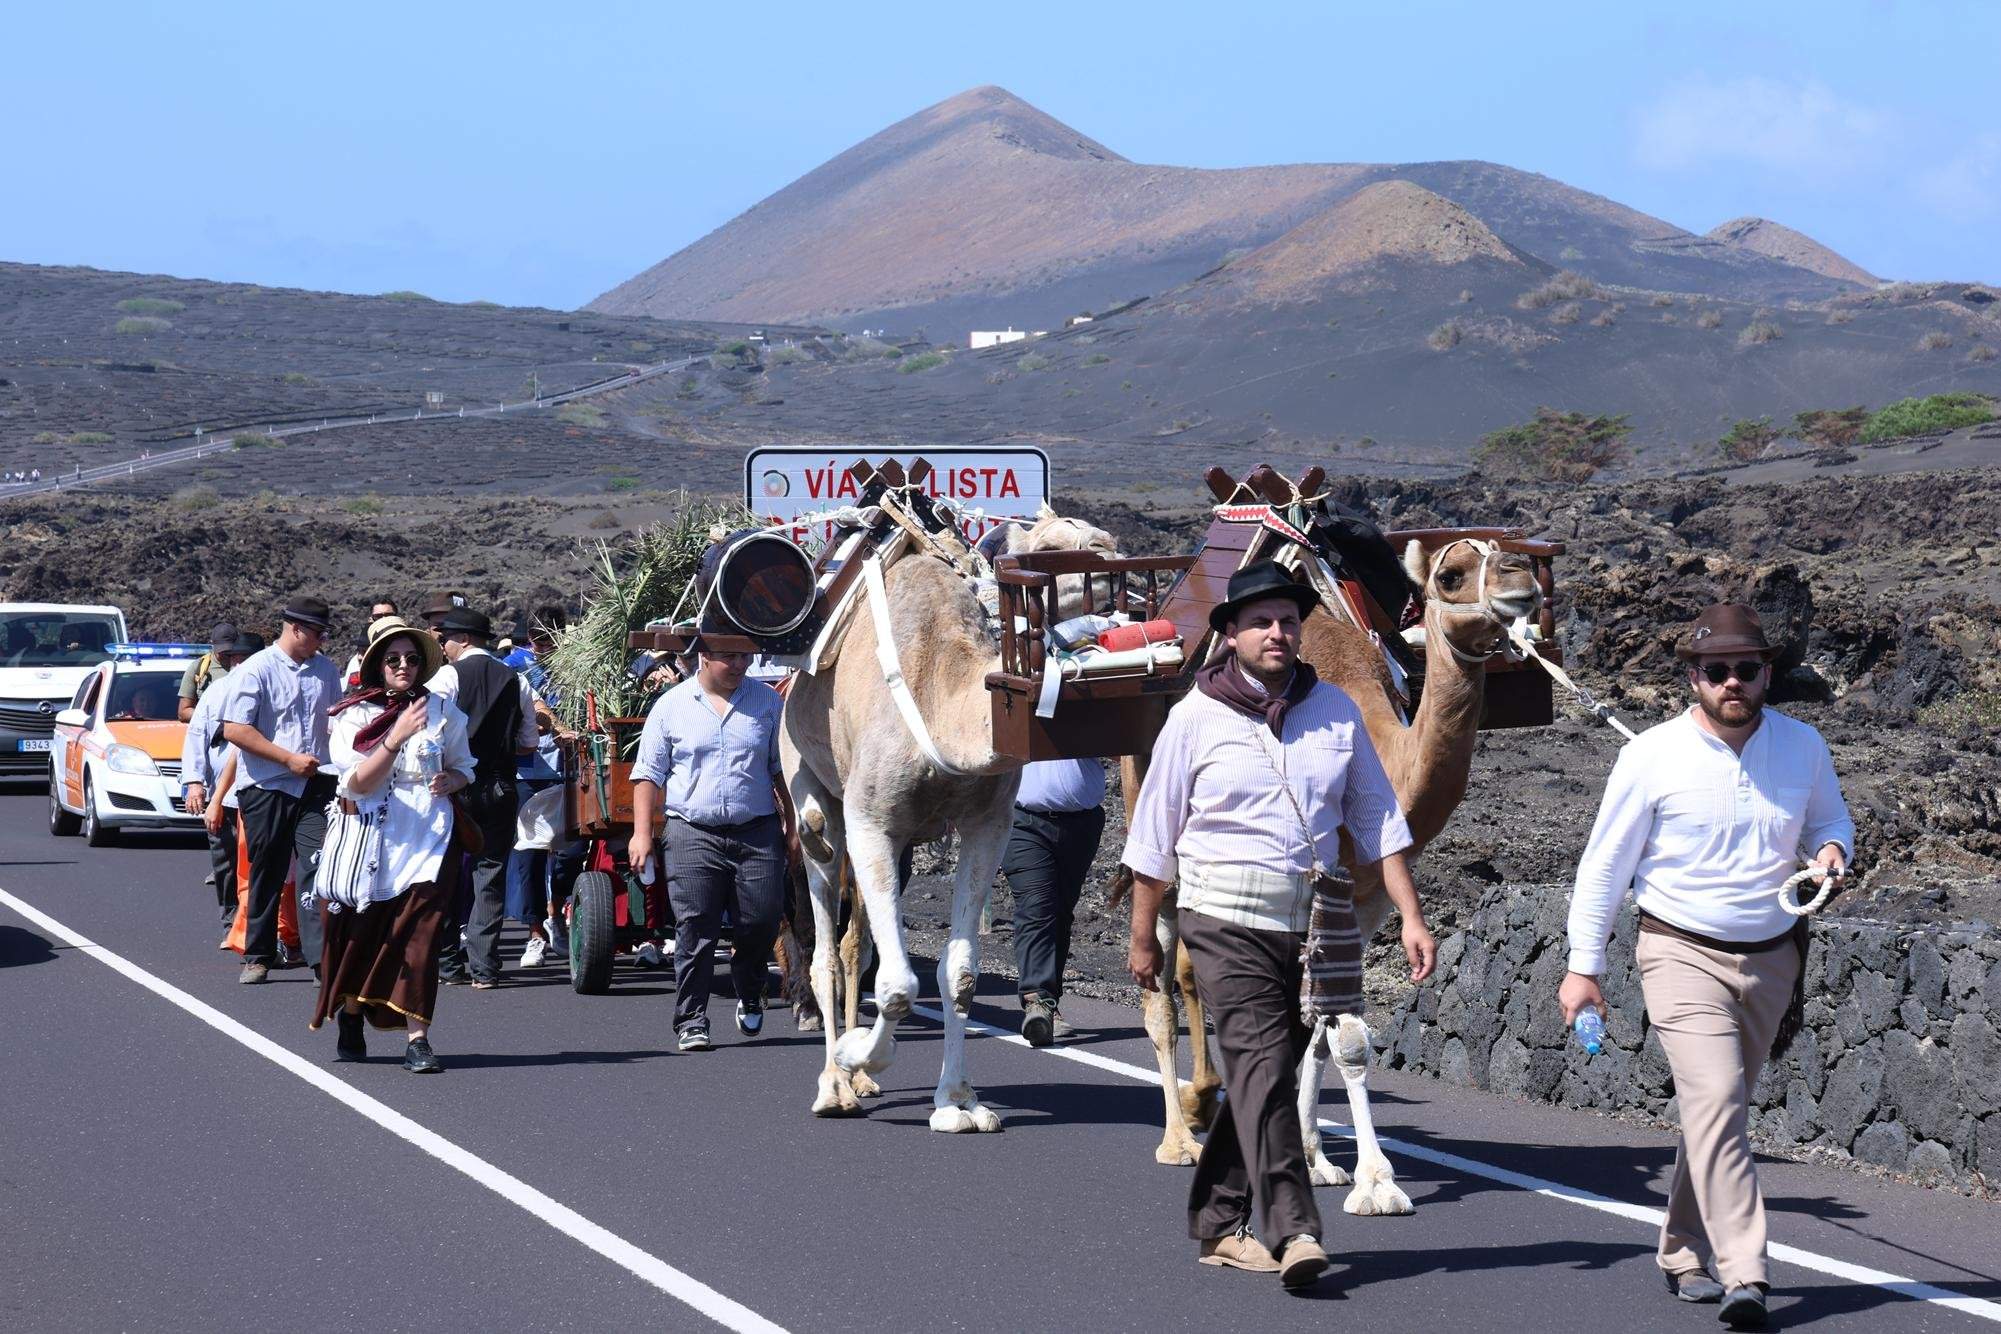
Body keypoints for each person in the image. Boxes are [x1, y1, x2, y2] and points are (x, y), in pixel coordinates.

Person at [1121, 561, 1433, 1291]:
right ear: (1229, 634)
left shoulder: (1333, 712)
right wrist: (1141, 936)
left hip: (1313, 925)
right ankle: (1293, 1228)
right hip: (1222, 916)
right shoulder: (1193, 719)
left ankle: (1217, 1222)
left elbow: (1379, 820)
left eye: (1288, 622)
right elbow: (1152, 836)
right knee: (1261, 1069)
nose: (1276, 633)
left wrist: (1411, 917)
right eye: (1260, 621)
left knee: (1268, 1071)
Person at [1561, 604, 1853, 1330]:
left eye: (1745, 670)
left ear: (1766, 675)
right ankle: (1746, 1272)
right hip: (1677, 952)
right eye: (1715, 670)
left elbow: (1829, 819)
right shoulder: (1650, 754)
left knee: (1713, 1114)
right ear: (1691, 677)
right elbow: (1603, 869)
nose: (1731, 682)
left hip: (1772, 959)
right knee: (1718, 1100)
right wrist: (1582, 966)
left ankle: (1681, 1249)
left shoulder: (1803, 746)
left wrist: (1829, 853)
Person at [310, 619, 472, 1073]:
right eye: (394, 659)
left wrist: (452, 777)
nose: (404, 666)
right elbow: (357, 782)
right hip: (370, 840)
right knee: (366, 935)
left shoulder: (442, 711)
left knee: (421, 938)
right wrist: (396, 737)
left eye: (413, 659)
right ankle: (353, 1013)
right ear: (377, 665)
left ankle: (418, 1037)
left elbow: (464, 765)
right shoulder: (353, 716)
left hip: (428, 839)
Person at [627, 641, 786, 1052]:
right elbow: (647, 774)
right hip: (692, 831)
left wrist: (796, 826)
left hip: (757, 830)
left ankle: (750, 988)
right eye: (729, 656)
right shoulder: (672, 705)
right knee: (695, 926)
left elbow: (781, 770)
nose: (739, 664)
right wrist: (642, 833)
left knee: (762, 921)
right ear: (703, 657)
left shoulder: (767, 703)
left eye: (745, 656)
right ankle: (692, 1019)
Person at [220, 597, 342, 985]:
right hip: (267, 785)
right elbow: (235, 729)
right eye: (318, 632)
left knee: (316, 866)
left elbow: (337, 721)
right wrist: (287, 759)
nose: (322, 640)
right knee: (267, 871)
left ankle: (318, 958)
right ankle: (258, 954)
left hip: (318, 782)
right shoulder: (255, 669)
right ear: (296, 628)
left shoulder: (326, 670)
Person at [428, 605, 536, 989]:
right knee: (489, 873)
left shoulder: (447, 677)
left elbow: (430, 732)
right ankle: (485, 968)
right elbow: (529, 741)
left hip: (454, 786)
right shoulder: (515, 679)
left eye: (446, 640)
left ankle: (448, 964)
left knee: (444, 873)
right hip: (500, 786)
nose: (443, 647)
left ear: (464, 639)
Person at [1002, 758, 1107, 1046]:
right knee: (1037, 905)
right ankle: (1038, 1000)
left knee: (1060, 912)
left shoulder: (1087, 710)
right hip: (1023, 820)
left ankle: (1049, 1001)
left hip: (1082, 822)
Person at [182, 630, 264, 925]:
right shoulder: (216, 692)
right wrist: (194, 783)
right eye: (235, 659)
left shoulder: (270, 690)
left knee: (260, 859)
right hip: (224, 793)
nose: (239, 664)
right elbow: (196, 736)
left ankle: (256, 920)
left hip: (262, 788)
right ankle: (231, 915)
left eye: (246, 659)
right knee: (225, 856)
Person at [178, 621, 239, 723]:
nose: (225, 653)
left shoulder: (247, 666)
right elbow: (183, 712)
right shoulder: (198, 668)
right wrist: (212, 716)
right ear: (212, 644)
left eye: (229, 649)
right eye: (221, 649)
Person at [344, 598, 401, 684]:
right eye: (378, 617)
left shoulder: (408, 647)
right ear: (371, 619)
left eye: (389, 615)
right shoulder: (358, 660)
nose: (383, 620)